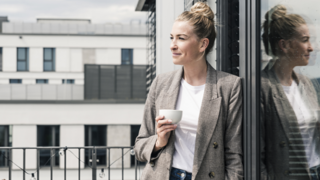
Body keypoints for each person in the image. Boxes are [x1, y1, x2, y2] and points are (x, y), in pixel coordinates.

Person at [134, 2, 243, 180]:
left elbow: (234, 154)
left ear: (203, 44)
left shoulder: (229, 86)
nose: (172, 45)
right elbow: (139, 146)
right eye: (172, 37)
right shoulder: (161, 83)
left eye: (181, 38)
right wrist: (159, 141)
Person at [260, 5, 320, 180]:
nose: (311, 48)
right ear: (284, 45)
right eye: (305, 40)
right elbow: (256, 154)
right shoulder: (261, 87)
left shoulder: (306, 83)